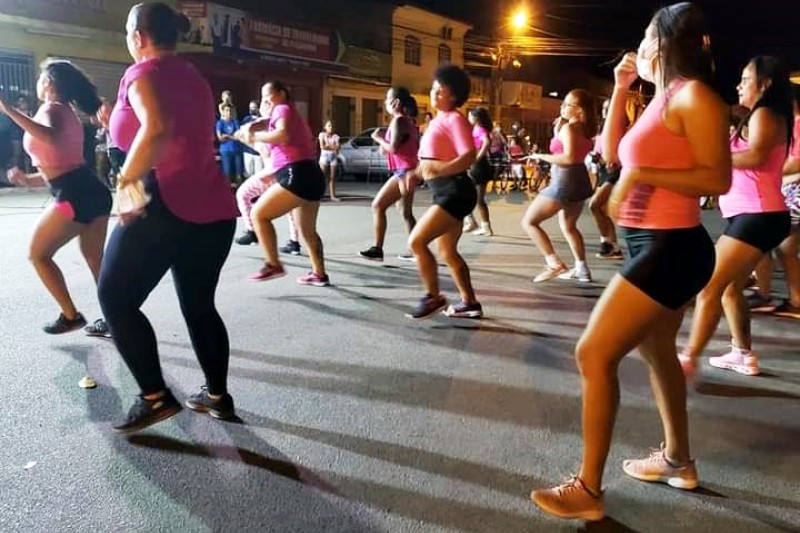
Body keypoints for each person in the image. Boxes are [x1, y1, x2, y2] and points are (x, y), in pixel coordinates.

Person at [531, 2, 731, 520]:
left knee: (593, 354)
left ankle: (588, 489)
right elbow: (612, 155)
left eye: (646, 35)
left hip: (672, 246)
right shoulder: (663, 97)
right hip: (650, 244)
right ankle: (679, 460)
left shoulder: (695, 96)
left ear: (663, 42)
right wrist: (621, 89)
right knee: (658, 351)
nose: (638, 45)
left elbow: (717, 178)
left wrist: (642, 178)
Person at [98, 2, 239, 433]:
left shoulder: (141, 73)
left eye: (127, 32)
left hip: (164, 204)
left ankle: (154, 397)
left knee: (116, 299)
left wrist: (126, 185)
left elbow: (157, 129)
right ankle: (217, 396)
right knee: (199, 305)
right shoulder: (194, 76)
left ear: (138, 36)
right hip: (213, 208)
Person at [680, 56, 793, 377]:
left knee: (709, 286)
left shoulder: (765, 114)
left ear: (765, 84)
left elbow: (756, 156)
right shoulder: (757, 115)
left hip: (758, 214)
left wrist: (713, 158)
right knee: (730, 289)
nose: (739, 85)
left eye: (746, 79)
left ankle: (688, 358)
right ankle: (742, 354)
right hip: (753, 215)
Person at [0, 60, 112, 336]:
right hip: (88, 189)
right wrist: (28, 179)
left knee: (38, 254)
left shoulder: (53, 110)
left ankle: (71, 316)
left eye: (40, 78)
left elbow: (50, 138)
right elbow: (61, 162)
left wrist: (8, 109)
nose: (37, 83)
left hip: (73, 195)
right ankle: (117, 318)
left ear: (49, 83)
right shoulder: (65, 111)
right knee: (95, 259)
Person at [406, 64, 482, 319]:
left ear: (454, 96)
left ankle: (433, 297)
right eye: (434, 89)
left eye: (441, 91)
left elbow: (468, 155)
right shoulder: (438, 120)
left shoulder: (455, 119)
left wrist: (440, 170)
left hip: (455, 190)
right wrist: (417, 173)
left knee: (416, 241)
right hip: (446, 190)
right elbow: (430, 158)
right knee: (447, 252)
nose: (435, 94)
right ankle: (470, 302)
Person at [243, 81, 329, 286]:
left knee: (258, 215)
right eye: (262, 98)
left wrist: (254, 135)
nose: (265, 100)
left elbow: (282, 135)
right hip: (310, 174)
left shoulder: (282, 108)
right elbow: (267, 125)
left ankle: (273, 264)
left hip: (296, 174)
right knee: (307, 230)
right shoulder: (286, 113)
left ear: (282, 94)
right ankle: (319, 274)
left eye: (268, 96)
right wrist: (251, 128)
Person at [521, 89, 597, 284]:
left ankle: (554, 263)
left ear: (579, 110)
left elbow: (568, 157)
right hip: (579, 181)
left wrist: (540, 156)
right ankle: (582, 269)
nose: (562, 107)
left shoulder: (570, 129)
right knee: (569, 227)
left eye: (568, 104)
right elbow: (565, 147)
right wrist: (559, 128)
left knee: (529, 222)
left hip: (564, 181)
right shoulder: (583, 130)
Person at [359, 87, 420, 262]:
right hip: (408, 171)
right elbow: (390, 149)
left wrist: (377, 138)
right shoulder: (407, 122)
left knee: (377, 206)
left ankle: (377, 249)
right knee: (405, 213)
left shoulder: (399, 121)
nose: (385, 102)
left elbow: (392, 148)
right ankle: (418, 251)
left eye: (387, 99)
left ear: (396, 102)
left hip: (403, 172)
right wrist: (383, 141)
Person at [589, 99, 624, 259]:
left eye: (608, 108)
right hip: (604, 170)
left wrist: (615, 161)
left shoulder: (621, 128)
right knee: (602, 210)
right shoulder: (602, 129)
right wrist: (596, 157)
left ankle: (606, 243)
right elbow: (599, 154)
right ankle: (613, 247)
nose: (606, 111)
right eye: (604, 109)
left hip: (615, 171)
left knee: (594, 205)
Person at [462, 107, 494, 236]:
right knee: (478, 198)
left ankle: (471, 221)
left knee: (467, 195)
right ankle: (484, 225)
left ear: (477, 118)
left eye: (470, 116)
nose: (468, 118)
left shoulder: (480, 129)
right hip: (480, 165)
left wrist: (477, 158)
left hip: (479, 166)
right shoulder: (477, 129)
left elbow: (487, 142)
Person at [216, 103, 243, 183]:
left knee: (239, 174)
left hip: (237, 150)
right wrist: (232, 136)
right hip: (225, 151)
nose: (229, 112)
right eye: (227, 110)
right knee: (226, 173)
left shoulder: (235, 122)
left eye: (230, 110)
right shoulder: (220, 123)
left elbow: (239, 137)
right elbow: (220, 138)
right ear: (223, 112)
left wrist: (227, 136)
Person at [318, 120, 341, 200]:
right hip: (324, 157)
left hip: (333, 157)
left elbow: (338, 147)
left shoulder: (336, 136)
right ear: (325, 127)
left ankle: (332, 195)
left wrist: (328, 146)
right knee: (322, 176)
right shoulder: (322, 135)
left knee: (332, 177)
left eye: (332, 126)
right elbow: (322, 146)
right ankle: (318, 194)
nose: (331, 127)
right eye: (329, 126)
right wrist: (333, 147)